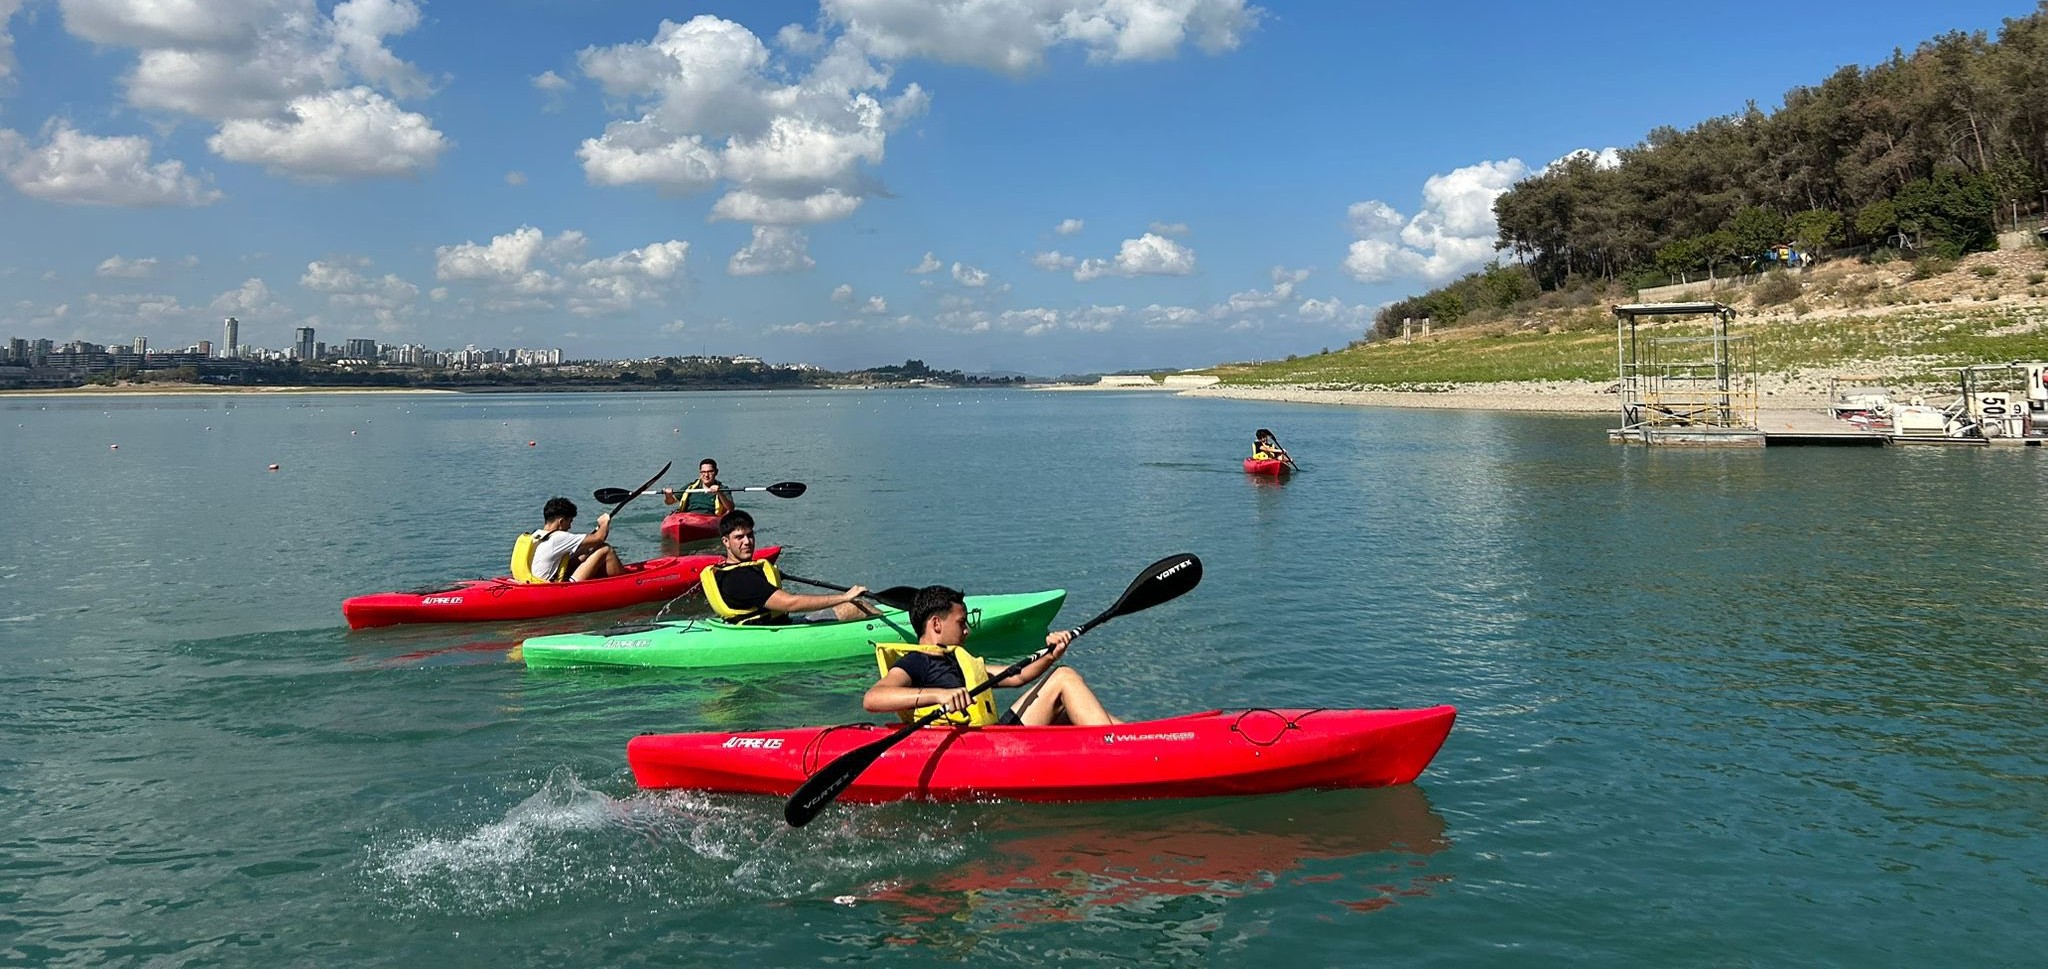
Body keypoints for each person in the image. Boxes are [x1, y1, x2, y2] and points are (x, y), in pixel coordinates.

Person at [864, 585, 1119, 727]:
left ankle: (1139, 737)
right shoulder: (917, 662)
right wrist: (939, 695)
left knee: (1066, 709)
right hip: (975, 751)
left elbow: (1017, 676)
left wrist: (1052, 654)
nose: (967, 630)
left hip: (992, 736)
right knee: (1064, 678)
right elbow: (874, 698)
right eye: (962, 623)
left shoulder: (956, 660)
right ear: (936, 624)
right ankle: (1118, 749)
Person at [699, 509, 874, 625]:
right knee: (855, 606)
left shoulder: (725, 571)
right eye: (739, 537)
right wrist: (845, 597)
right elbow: (790, 603)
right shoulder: (742, 578)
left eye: (750, 535)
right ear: (726, 542)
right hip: (773, 631)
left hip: (752, 626)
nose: (747, 542)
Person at [525, 496, 625, 582]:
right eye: (570, 522)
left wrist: (588, 550)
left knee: (584, 553)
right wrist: (604, 522)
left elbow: (582, 549)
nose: (570, 527)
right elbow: (599, 538)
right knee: (605, 549)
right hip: (551, 587)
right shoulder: (558, 537)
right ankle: (625, 583)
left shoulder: (536, 535)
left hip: (532, 581)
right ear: (561, 521)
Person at [660, 458, 735, 517]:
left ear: (716, 472)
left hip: (709, 518)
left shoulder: (722, 488)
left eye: (710, 471)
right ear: (700, 473)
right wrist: (668, 496)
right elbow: (670, 502)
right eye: (703, 472)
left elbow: (730, 508)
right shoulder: (690, 487)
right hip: (687, 517)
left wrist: (719, 493)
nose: (706, 475)